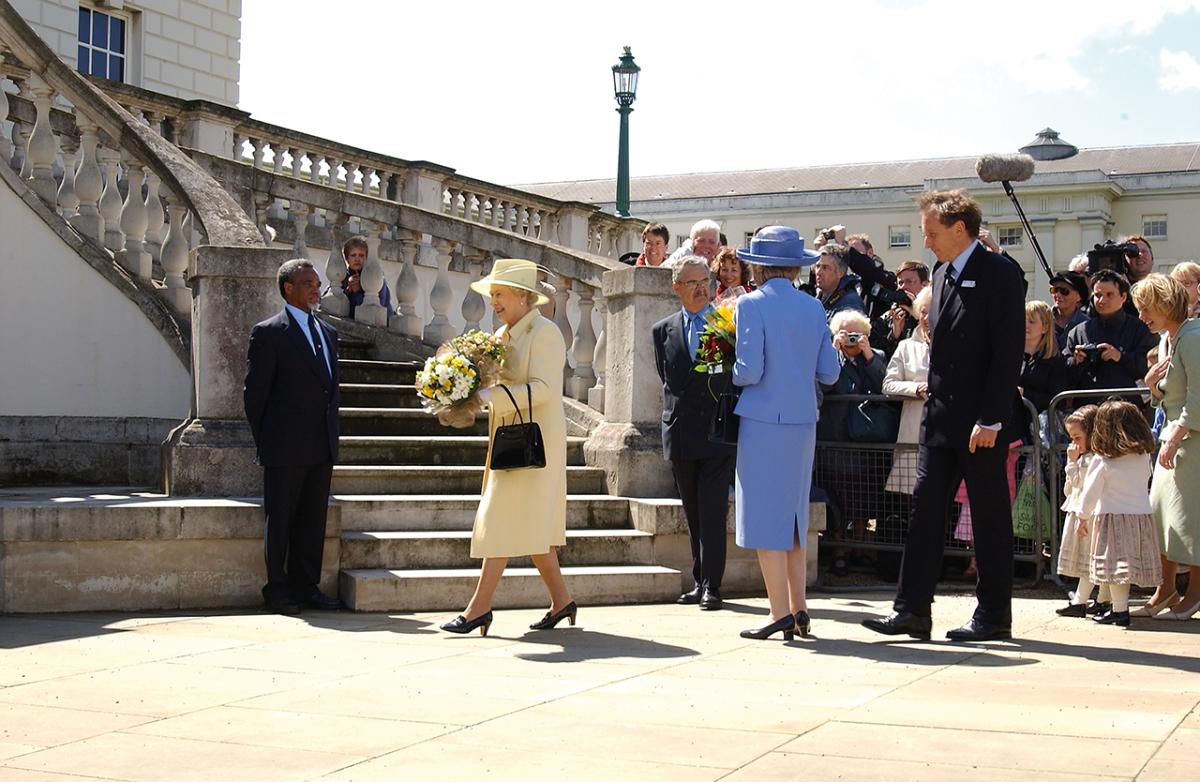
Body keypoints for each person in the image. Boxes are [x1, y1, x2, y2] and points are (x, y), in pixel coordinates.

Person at [863, 189, 1025, 643]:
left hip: (981, 424)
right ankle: (912, 610)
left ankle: (994, 614)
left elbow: (1007, 351)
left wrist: (992, 418)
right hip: (941, 420)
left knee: (990, 518)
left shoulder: (999, 272)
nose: (926, 241)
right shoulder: (942, 272)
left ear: (959, 228)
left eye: (931, 233)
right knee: (925, 513)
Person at [440, 259, 575, 635]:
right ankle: (562, 601)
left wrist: (490, 395)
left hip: (535, 446)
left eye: (499, 294)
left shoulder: (545, 333)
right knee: (533, 527)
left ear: (521, 297)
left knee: (498, 517)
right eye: (494, 295)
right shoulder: (502, 334)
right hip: (509, 441)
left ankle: (478, 608)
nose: (494, 302)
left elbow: (547, 390)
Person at [732, 226, 839, 640]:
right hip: (802, 420)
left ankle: (779, 611)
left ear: (759, 266)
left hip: (763, 420)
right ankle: (799, 609)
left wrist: (728, 367)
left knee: (763, 515)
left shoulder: (751, 305)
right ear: (797, 266)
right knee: (794, 516)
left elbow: (750, 371)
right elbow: (829, 372)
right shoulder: (813, 308)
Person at [243, 259, 342, 615]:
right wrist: (268, 440)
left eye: (317, 283)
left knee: (313, 519)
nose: (316, 289)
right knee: (281, 520)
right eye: (308, 283)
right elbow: (255, 396)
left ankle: (307, 586)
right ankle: (278, 589)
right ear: (288, 288)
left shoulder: (328, 333)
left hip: (321, 443)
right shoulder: (269, 333)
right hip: (284, 446)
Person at [652, 257, 737, 611]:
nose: (702, 287)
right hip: (681, 430)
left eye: (706, 280)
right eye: (692, 283)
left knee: (713, 511)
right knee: (692, 512)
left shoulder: (726, 324)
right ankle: (698, 578)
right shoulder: (662, 329)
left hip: (717, 431)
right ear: (677, 288)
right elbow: (667, 377)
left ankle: (712, 586)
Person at [1132, 274, 1200, 620]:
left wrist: (1175, 438)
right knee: (1161, 516)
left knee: (1189, 519)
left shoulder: (1192, 336)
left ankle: (1194, 593)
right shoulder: (1168, 339)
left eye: (1147, 308)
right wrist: (1152, 386)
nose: (1142, 315)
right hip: (1173, 438)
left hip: (1190, 441)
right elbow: (1166, 395)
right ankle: (1167, 588)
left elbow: (1198, 396)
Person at [1071, 400, 1162, 627]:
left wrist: (1082, 517)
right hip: (1140, 517)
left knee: (1114, 568)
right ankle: (1119, 609)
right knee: (1125, 568)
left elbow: (1091, 492)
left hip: (1112, 518)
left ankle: (1120, 610)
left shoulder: (1102, 460)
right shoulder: (1143, 456)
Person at [816, 308, 889, 576]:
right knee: (837, 495)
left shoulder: (876, 357)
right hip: (835, 437)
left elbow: (885, 384)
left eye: (855, 334)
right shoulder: (828, 359)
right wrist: (834, 354)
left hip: (866, 440)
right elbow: (825, 385)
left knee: (863, 495)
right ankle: (839, 549)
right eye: (844, 334)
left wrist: (867, 355)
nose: (850, 340)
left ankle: (859, 547)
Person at [1053, 405, 1112, 616]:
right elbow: (1069, 489)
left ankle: (1081, 602)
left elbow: (1079, 485)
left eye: (1077, 437)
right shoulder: (1086, 458)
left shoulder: (1095, 460)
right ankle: (1104, 600)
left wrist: (1071, 463)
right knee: (1093, 561)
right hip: (1081, 511)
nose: (1074, 443)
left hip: (1089, 515)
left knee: (1091, 561)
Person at [1063, 269, 1156, 394]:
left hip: (1127, 404)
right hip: (1088, 405)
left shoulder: (1141, 329)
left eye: (1109, 295)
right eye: (1098, 295)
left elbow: (1151, 365)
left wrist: (1120, 357)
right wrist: (1075, 361)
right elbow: (1062, 373)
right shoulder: (1079, 332)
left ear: (1123, 297)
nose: (1102, 301)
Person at [883, 287, 933, 497]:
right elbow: (888, 385)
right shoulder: (906, 346)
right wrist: (915, 388)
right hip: (913, 431)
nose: (928, 318)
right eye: (923, 311)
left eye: (934, 311)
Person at [869, 260, 930, 361]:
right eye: (900, 283)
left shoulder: (934, 314)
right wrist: (894, 335)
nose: (903, 287)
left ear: (925, 285)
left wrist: (918, 317)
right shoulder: (889, 316)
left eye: (910, 281)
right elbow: (876, 356)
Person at [1020, 300, 1068, 417]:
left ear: (1045, 327)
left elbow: (1058, 400)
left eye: (1031, 322)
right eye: (1023, 320)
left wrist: (1025, 394)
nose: (1026, 325)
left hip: (1038, 425)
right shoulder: (1010, 355)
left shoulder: (1054, 360)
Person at [336, 236, 394, 321]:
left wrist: (357, 292)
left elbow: (374, 310)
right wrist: (347, 291)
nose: (357, 259)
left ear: (367, 258)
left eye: (361, 255)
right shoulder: (343, 276)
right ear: (347, 259)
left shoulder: (375, 277)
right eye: (353, 255)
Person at [813, 244, 865, 323]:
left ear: (841, 273)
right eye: (817, 266)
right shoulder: (819, 298)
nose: (818, 272)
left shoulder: (851, 306)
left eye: (825, 268)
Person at [1049, 271, 1090, 349]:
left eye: (1064, 291)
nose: (1057, 294)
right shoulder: (1042, 319)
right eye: (1054, 290)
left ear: (1079, 296)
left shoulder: (1087, 325)